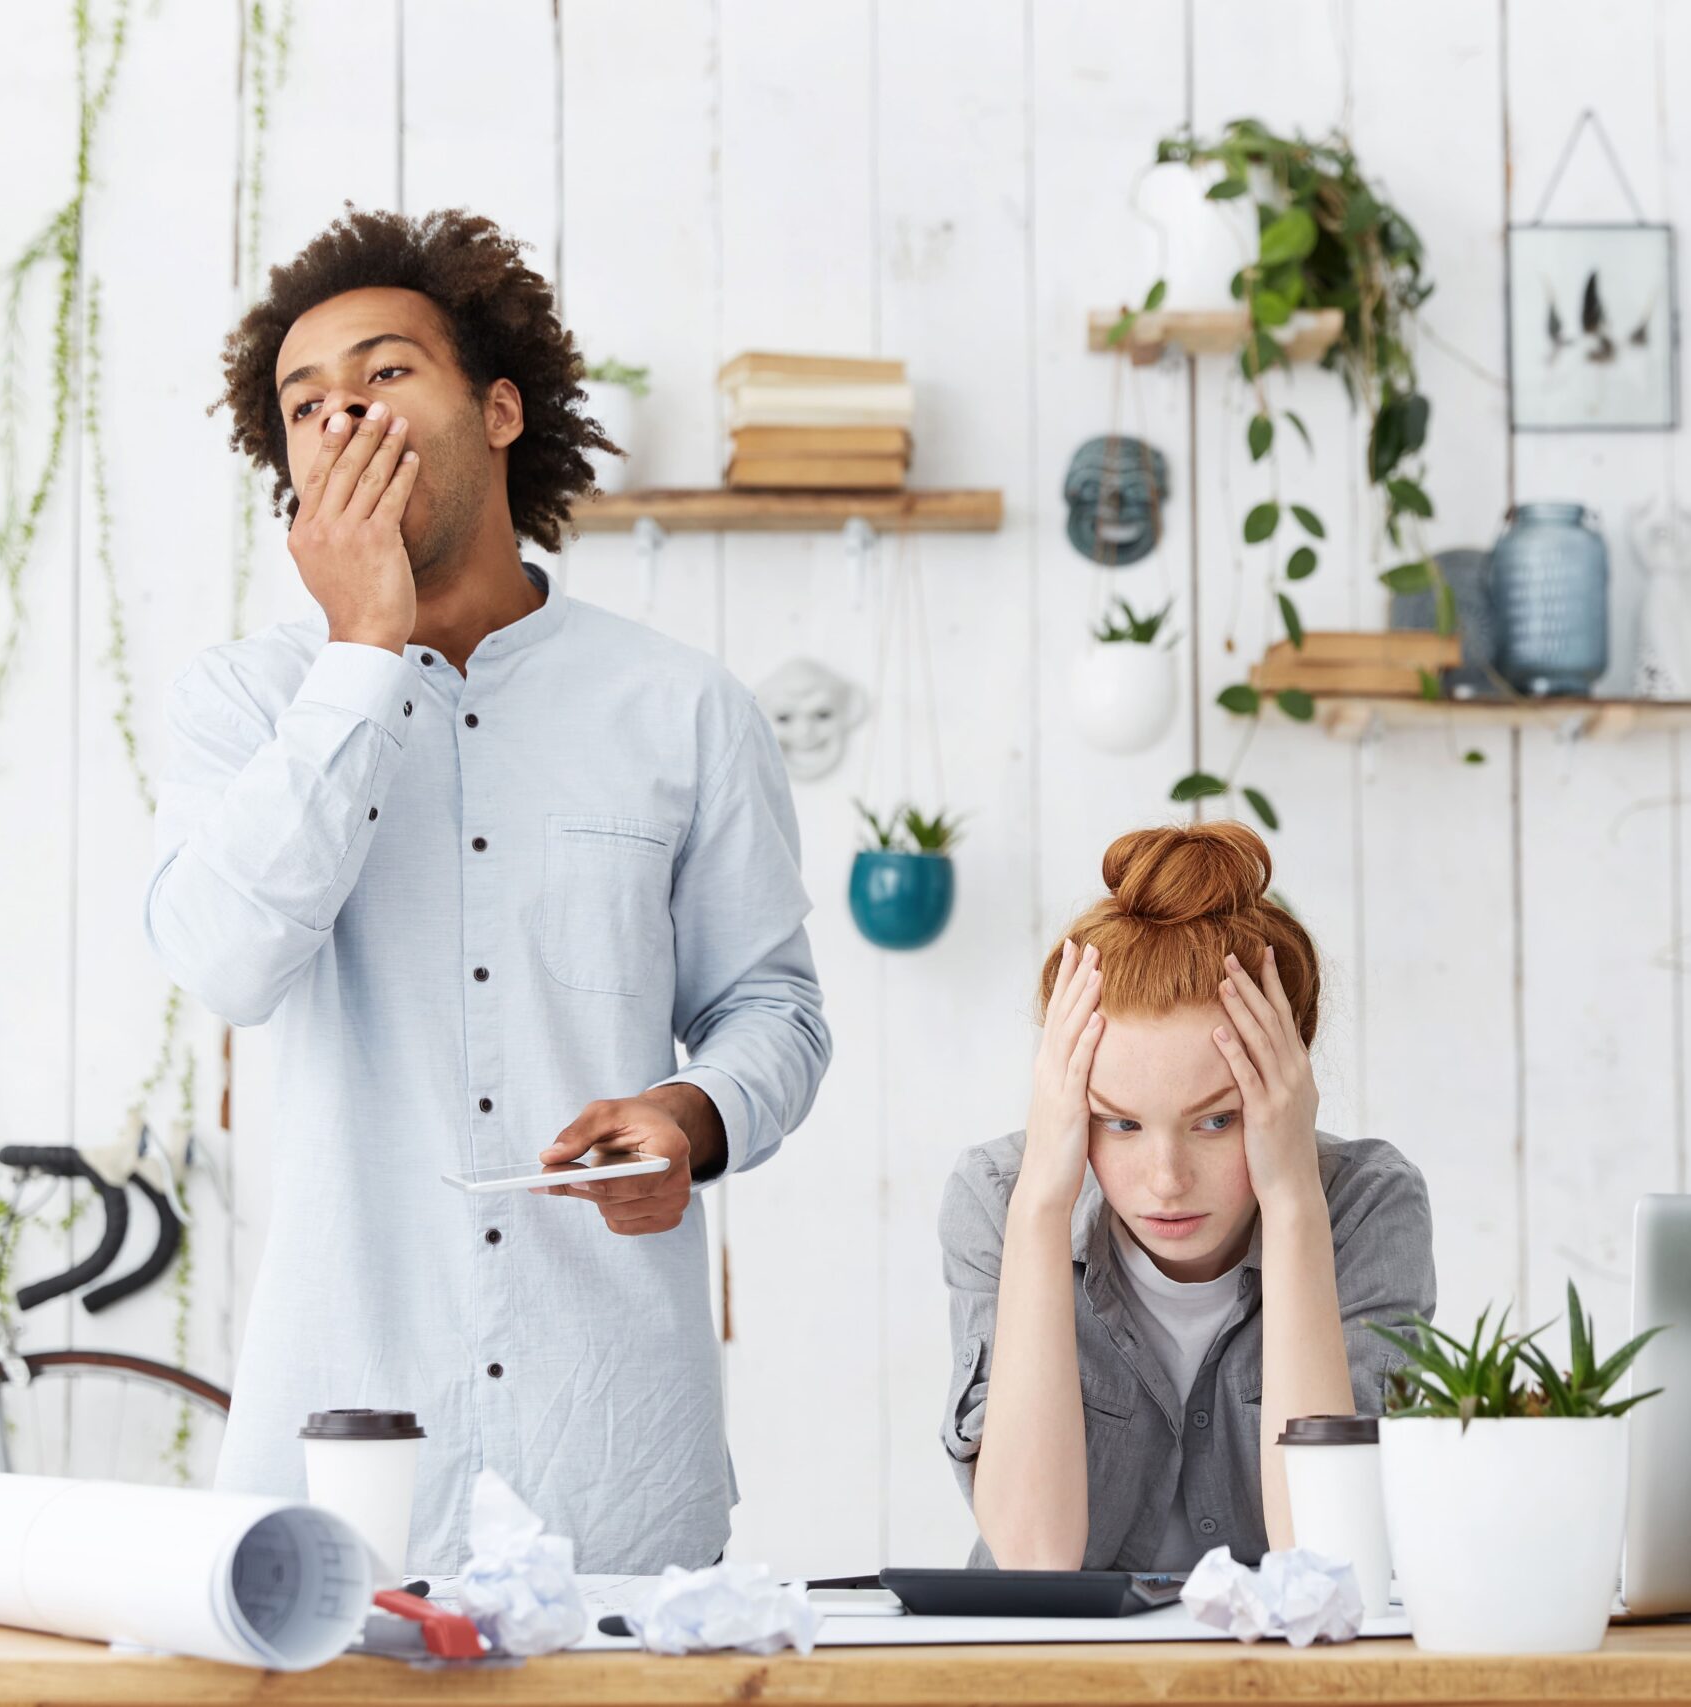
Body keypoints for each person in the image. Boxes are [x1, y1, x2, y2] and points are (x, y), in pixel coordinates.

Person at [146, 207, 831, 1572]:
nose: (343, 413)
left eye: (385, 372)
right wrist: (362, 654)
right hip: (331, 1460)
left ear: (501, 406)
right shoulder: (244, 702)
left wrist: (692, 1117)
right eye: (305, 402)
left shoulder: (682, 708)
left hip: (614, 1467)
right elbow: (227, 962)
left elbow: (775, 1007)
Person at [938, 821, 1435, 1571]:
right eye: (1120, 1121)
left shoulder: (1368, 1206)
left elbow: (1329, 1561)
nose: (1166, 1177)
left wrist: (1295, 1196)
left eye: (1216, 1119)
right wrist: (1042, 1202)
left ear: (1290, 1087)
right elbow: (1034, 1561)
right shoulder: (996, 1198)